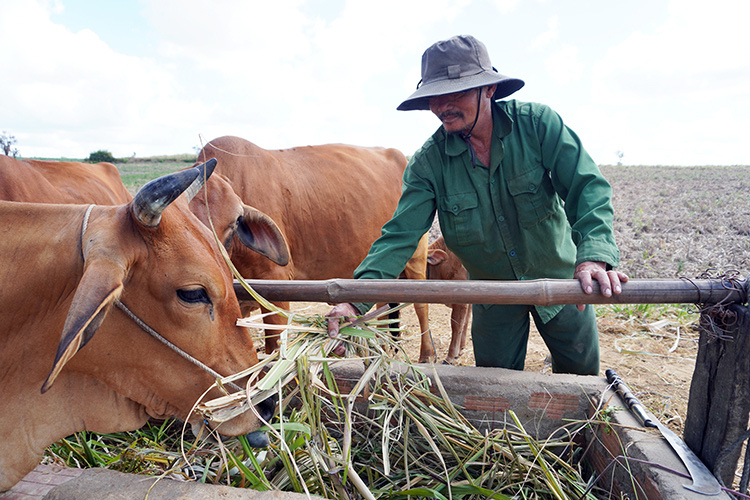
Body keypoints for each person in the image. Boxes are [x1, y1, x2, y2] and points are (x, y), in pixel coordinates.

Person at [326, 34, 628, 375]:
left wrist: (592, 256)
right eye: (434, 98)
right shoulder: (429, 163)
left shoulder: (538, 126)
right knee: (495, 391)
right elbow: (400, 234)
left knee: (581, 380)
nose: (442, 106)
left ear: (489, 89)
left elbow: (587, 187)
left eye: (455, 93)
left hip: (562, 283)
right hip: (492, 294)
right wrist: (355, 298)